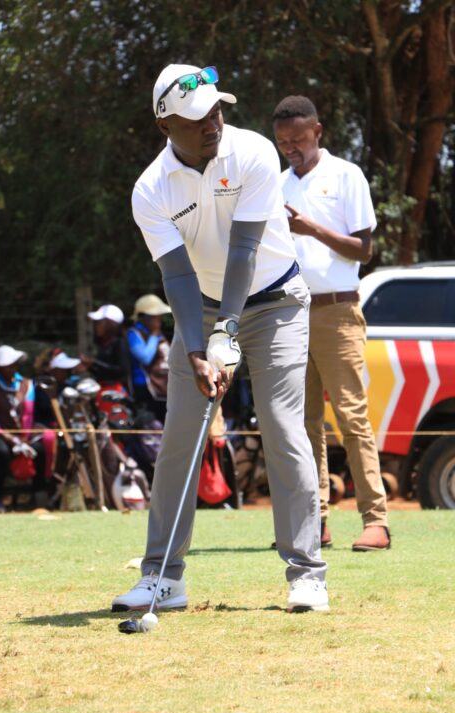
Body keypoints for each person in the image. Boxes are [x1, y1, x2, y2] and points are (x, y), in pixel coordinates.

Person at [112, 63, 328, 614]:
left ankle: (306, 573)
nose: (212, 122)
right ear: (166, 127)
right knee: (181, 436)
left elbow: (244, 252)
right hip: (201, 307)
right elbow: (178, 277)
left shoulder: (254, 152)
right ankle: (165, 577)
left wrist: (226, 338)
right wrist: (195, 348)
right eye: (196, 117)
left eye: (216, 110)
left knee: (282, 427)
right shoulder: (150, 190)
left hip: (277, 302)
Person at [272, 95, 390, 551]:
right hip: (290, 312)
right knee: (302, 422)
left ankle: (376, 521)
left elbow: (364, 249)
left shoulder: (346, 175)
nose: (291, 148)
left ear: (318, 131)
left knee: (351, 416)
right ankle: (313, 518)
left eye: (299, 139)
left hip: (338, 312)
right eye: (283, 142)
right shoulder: (278, 185)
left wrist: (312, 229)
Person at [0, 345, 56, 511]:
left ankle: (38, 496)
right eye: (9, 365)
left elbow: (28, 414)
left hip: (23, 434)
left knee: (40, 449)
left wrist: (24, 439)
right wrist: (9, 439)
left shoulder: (26, 384)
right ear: (0, 367)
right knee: (0, 451)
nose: (13, 368)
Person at [127, 293, 171, 423]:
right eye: (156, 317)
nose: (160, 320)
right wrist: (154, 335)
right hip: (144, 389)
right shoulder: (133, 334)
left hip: (161, 388)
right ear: (146, 317)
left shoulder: (156, 334)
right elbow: (145, 357)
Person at [81, 304, 131, 413]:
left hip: (115, 393)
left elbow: (121, 370)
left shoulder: (120, 343)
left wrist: (95, 362)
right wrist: (90, 366)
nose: (96, 326)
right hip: (103, 391)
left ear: (110, 324)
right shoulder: (104, 345)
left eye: (100, 322)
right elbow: (104, 373)